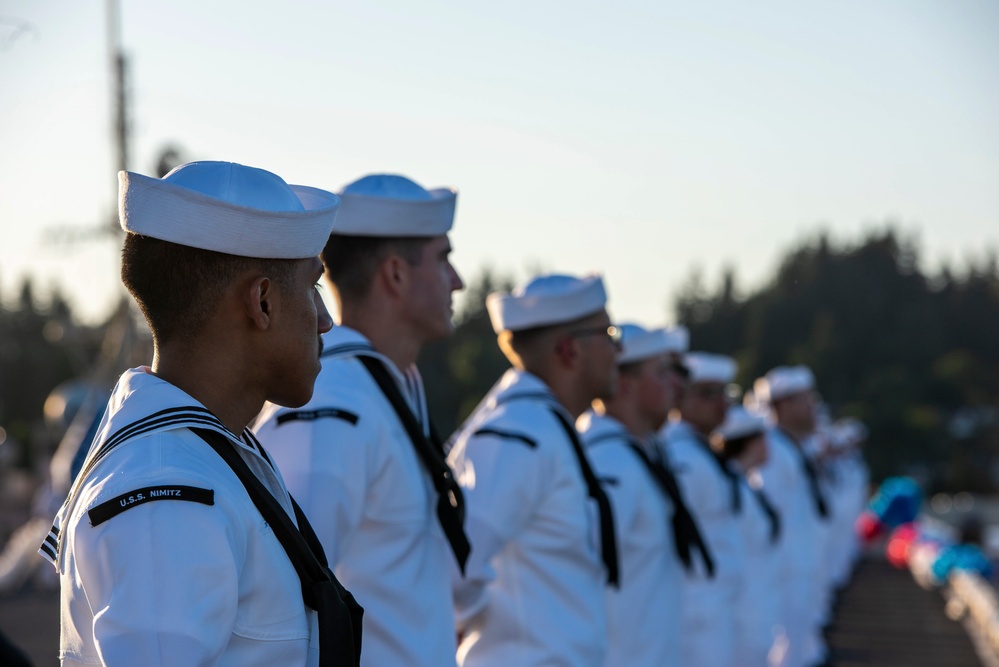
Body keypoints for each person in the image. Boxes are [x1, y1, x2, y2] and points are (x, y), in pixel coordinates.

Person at [38, 161, 361, 667]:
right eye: (312, 289)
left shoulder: (205, 455)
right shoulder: (169, 483)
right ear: (263, 302)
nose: (325, 321)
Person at [254, 174, 469, 667]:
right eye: (443, 259)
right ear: (394, 274)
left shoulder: (384, 388)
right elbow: (283, 602)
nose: (457, 280)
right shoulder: (331, 406)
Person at [447, 273, 620, 666]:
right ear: (569, 351)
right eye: (609, 333)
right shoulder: (519, 430)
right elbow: (456, 567)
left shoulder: (544, 425)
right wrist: (494, 631)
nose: (618, 349)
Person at [578, 324, 712, 667]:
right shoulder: (608, 462)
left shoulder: (647, 454)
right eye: (663, 372)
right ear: (624, 384)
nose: (676, 384)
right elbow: (580, 579)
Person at [662, 352, 744, 667]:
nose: (722, 402)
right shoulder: (681, 456)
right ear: (679, 396)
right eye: (709, 394)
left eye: (725, 393)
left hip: (713, 608)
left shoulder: (701, 451)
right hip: (694, 615)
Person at [752, 365, 831, 667]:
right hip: (782, 576)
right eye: (805, 400)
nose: (813, 407)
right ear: (783, 405)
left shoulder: (791, 448)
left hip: (799, 570)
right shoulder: (770, 450)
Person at [713, 405, 784, 667]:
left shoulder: (745, 484)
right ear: (750, 443)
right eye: (763, 438)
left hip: (756, 607)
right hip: (740, 613)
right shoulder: (729, 488)